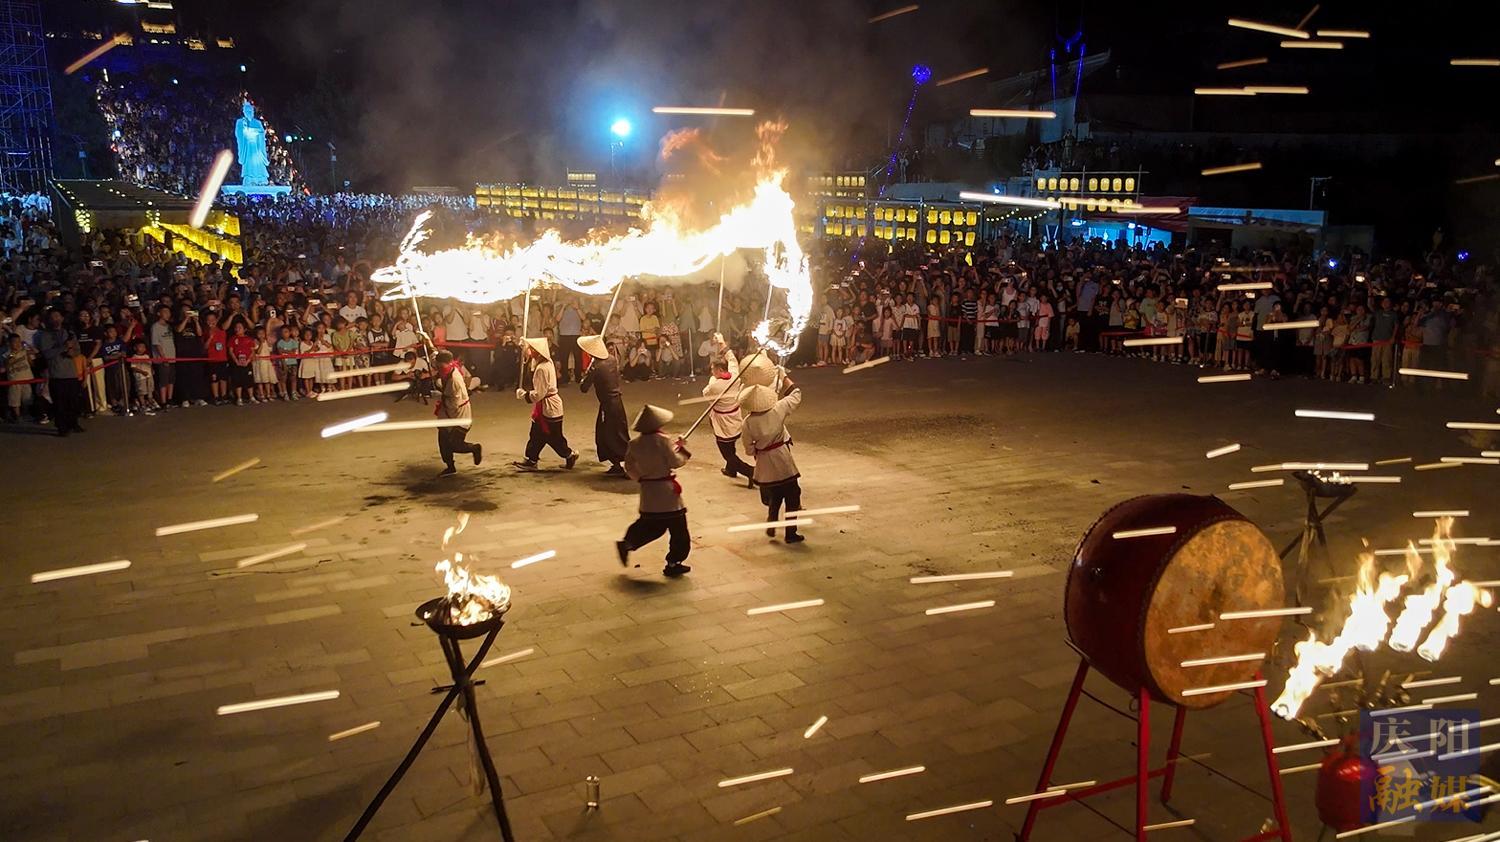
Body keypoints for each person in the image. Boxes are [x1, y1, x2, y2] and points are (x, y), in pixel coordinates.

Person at [616, 404, 692, 577]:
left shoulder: (634, 444)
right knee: (679, 529)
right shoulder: (663, 441)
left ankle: (628, 542)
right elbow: (674, 462)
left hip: (648, 490)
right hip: (666, 492)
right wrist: (682, 449)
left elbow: (629, 466)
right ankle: (674, 562)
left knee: (649, 524)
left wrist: (640, 478)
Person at [739, 374, 805, 544]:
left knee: (775, 494)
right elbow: (796, 394)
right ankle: (790, 533)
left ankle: (772, 521)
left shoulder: (747, 422)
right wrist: (784, 377)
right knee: (792, 495)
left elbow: (748, 449)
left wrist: (757, 450)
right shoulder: (778, 409)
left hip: (764, 462)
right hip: (782, 459)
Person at [513, 337, 578, 471]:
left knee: (553, 437)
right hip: (548, 406)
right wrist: (524, 346)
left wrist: (525, 394)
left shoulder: (541, 369)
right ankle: (532, 459)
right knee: (537, 435)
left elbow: (539, 394)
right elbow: (531, 363)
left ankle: (568, 454)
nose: (530, 352)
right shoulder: (548, 362)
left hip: (548, 407)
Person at [701, 335, 754, 484]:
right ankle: (731, 470)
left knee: (727, 453)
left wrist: (713, 379)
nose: (711, 371)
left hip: (724, 422)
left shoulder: (715, 385)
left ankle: (750, 472)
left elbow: (705, 393)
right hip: (734, 417)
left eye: (713, 369)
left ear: (719, 370)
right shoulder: (735, 374)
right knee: (730, 447)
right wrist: (721, 342)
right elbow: (731, 357)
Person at [578, 333, 629, 475]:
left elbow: (583, 388)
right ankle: (617, 465)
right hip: (616, 402)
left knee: (611, 436)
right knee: (613, 434)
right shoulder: (612, 359)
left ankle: (628, 466)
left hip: (608, 405)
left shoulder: (597, 367)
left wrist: (587, 373)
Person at [34, 309, 84, 436]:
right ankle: (62, 427)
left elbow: (77, 350)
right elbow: (47, 354)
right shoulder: (45, 335)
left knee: (73, 401)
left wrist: (72, 352)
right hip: (56, 374)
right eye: (53, 317)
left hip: (71, 372)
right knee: (59, 403)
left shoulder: (69, 333)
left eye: (58, 316)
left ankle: (73, 423)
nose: (55, 319)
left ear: (62, 318)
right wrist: (63, 348)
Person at [433, 349, 482, 476]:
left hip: (459, 412)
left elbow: (453, 403)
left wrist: (440, 396)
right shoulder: (448, 366)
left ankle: (474, 448)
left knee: (455, 444)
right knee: (443, 440)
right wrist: (427, 341)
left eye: (439, 364)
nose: (436, 366)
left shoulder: (454, 380)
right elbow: (433, 353)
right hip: (447, 411)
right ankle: (450, 466)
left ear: (445, 363)